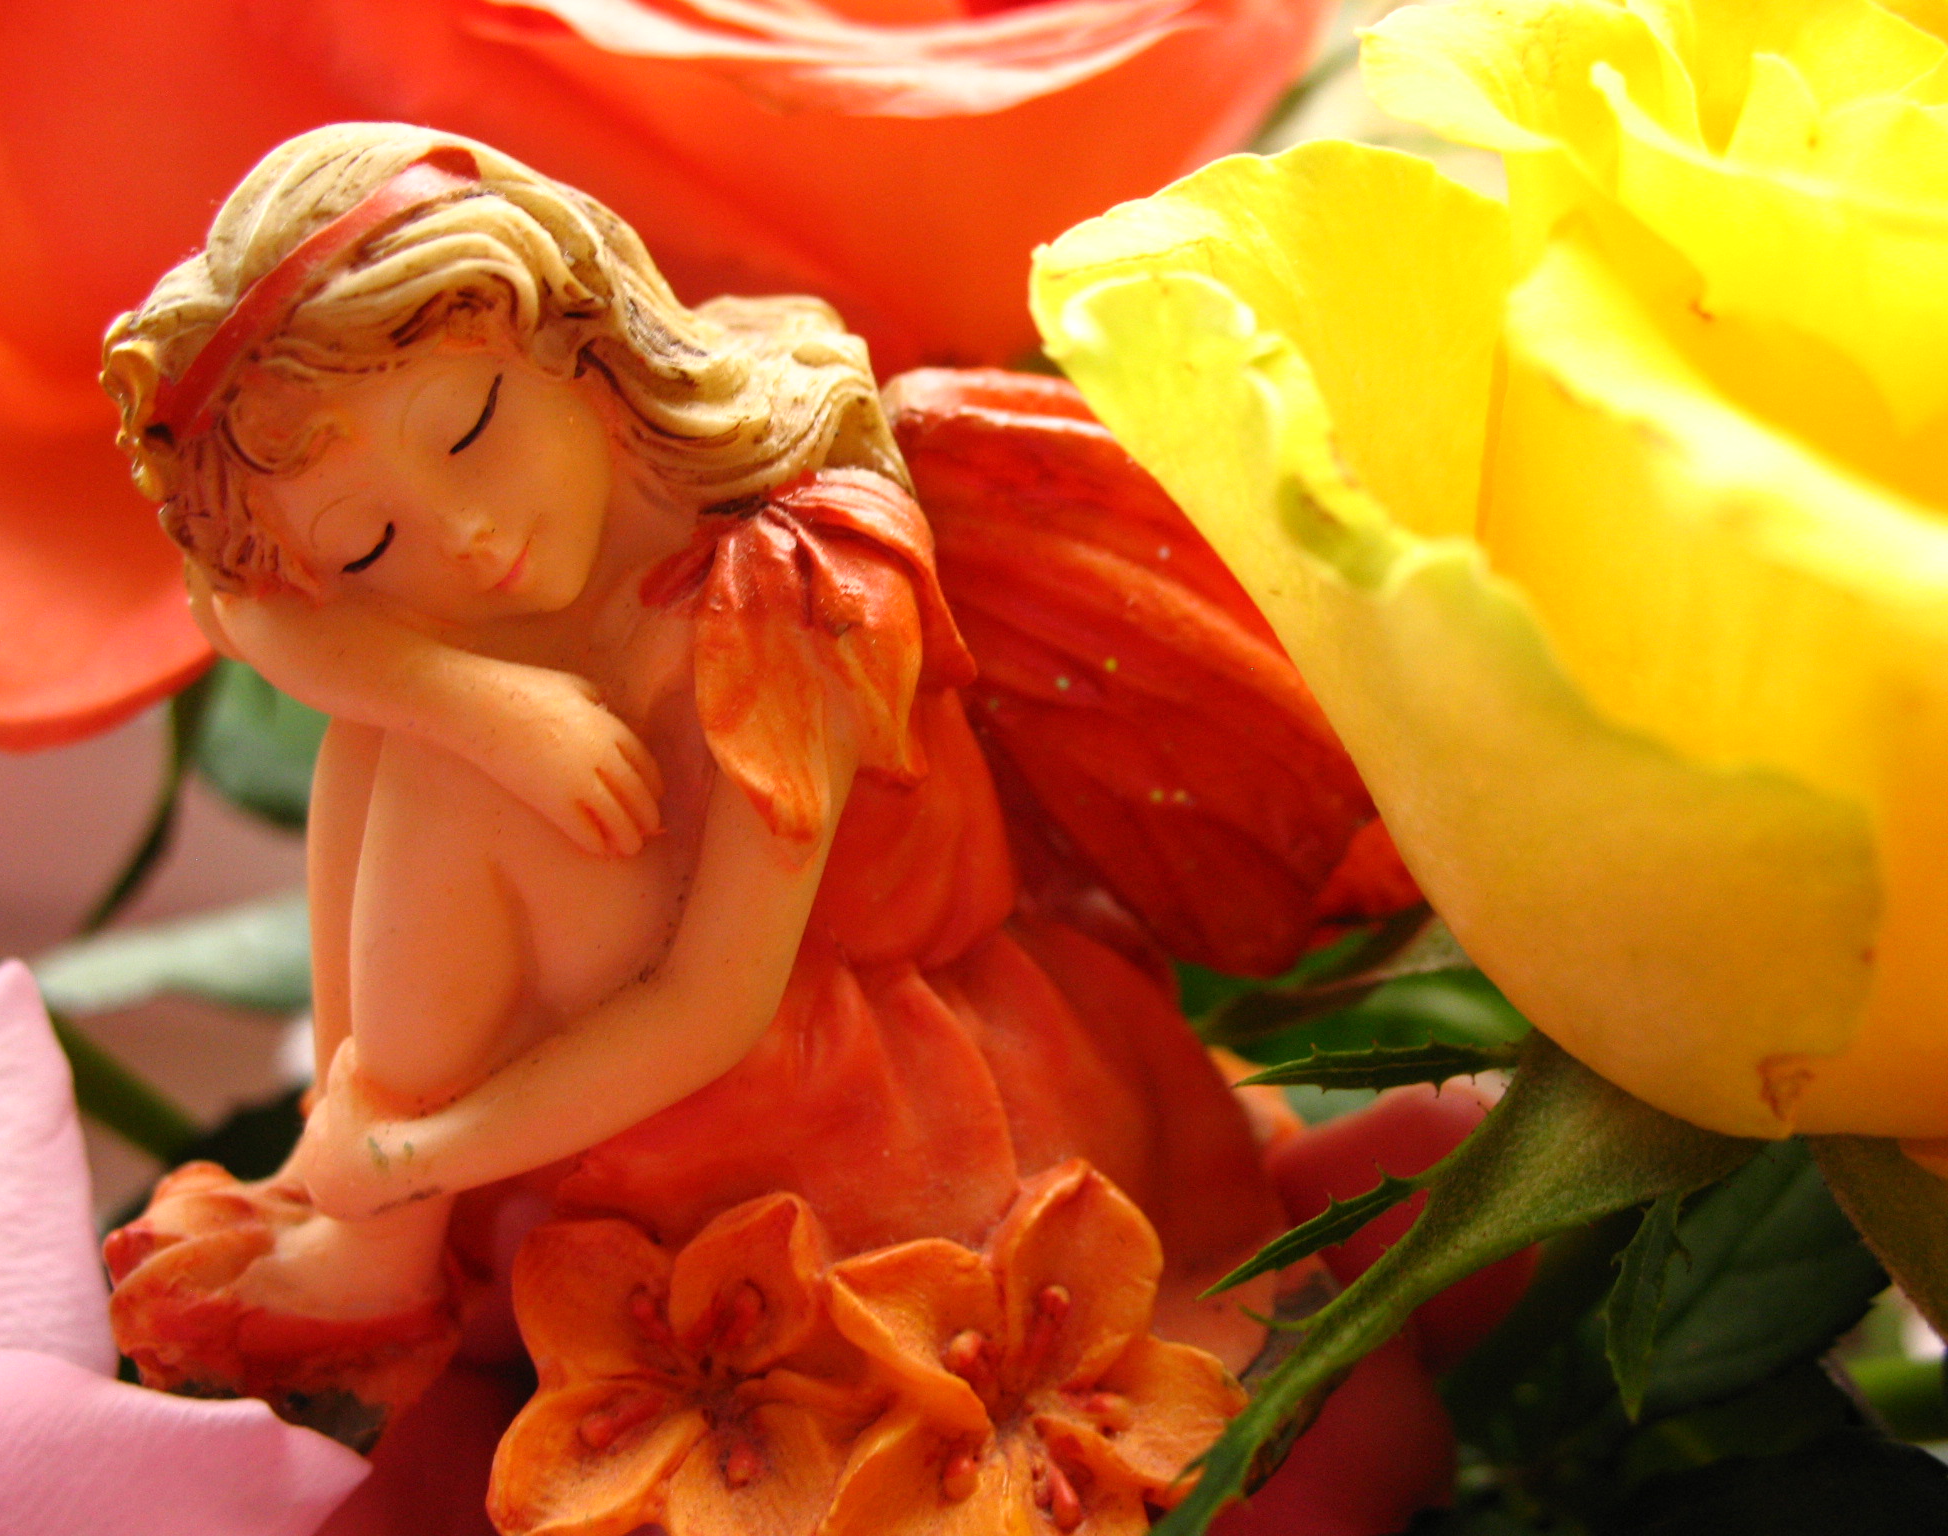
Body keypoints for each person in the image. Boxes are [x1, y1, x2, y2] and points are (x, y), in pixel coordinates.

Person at [100, 124, 1406, 1524]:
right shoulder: (508, 576)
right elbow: (251, 607)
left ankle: (378, 1226)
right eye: (366, 540)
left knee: (432, 766)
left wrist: (418, 1159)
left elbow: (709, 1008)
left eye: (471, 429)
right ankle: (367, 1197)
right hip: (586, 1058)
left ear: (578, 340)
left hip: (837, 1079)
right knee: (402, 726)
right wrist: (468, 698)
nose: (465, 537)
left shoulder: (796, 581)